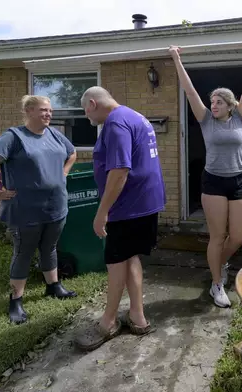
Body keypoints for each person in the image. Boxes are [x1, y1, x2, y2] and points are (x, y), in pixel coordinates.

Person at [74, 86, 166, 351]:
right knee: (130, 256)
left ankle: (108, 322)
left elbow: (119, 171)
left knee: (115, 262)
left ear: (92, 103)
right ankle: (137, 317)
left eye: (85, 110)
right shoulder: (135, 116)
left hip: (127, 206)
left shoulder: (115, 123)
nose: (86, 116)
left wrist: (102, 212)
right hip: (145, 203)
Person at [169, 40, 242, 308]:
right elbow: (189, 91)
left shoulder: (240, 118)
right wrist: (177, 60)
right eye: (212, 101)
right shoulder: (206, 120)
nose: (214, 104)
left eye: (219, 102)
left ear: (230, 105)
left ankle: (219, 263)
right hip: (214, 182)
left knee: (238, 236)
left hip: (239, 180)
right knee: (217, 236)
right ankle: (216, 284)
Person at [0, 95, 78, 325]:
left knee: (50, 246)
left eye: (50, 110)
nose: (49, 114)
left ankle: (53, 286)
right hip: (25, 209)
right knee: (23, 252)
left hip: (56, 205)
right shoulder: (14, 137)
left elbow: (72, 153)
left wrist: (63, 173)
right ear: (29, 111)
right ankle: (16, 301)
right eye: (43, 110)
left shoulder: (54, 134)